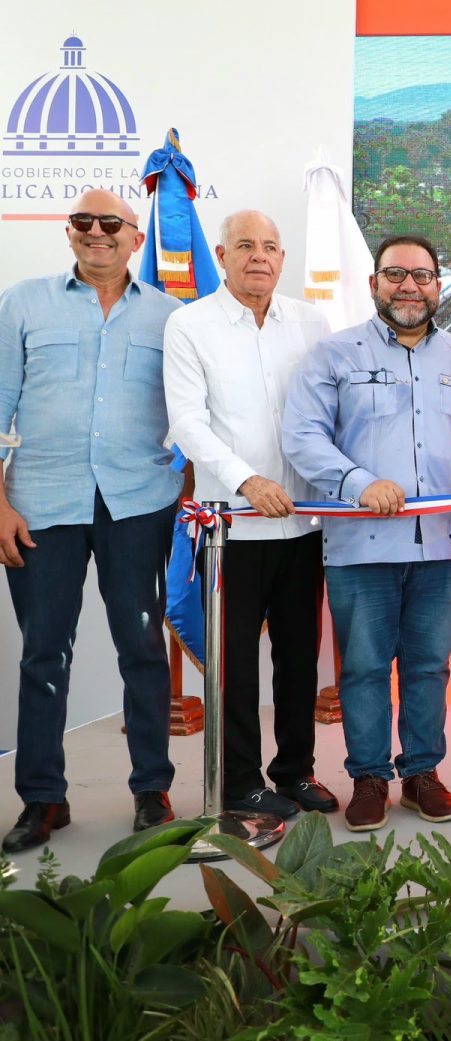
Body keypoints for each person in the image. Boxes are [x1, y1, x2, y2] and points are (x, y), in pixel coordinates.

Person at [0, 189, 182, 853]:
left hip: (139, 502)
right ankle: (43, 800)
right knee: (44, 651)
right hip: (42, 504)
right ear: (68, 231)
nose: (96, 233)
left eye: (112, 224)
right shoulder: (23, 303)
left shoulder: (171, 317)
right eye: (84, 222)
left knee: (141, 647)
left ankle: (151, 789)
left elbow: (187, 416)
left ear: (136, 238)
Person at [282, 234, 451, 832]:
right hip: (359, 546)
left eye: (422, 276)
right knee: (364, 668)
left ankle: (422, 772)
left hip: (440, 545)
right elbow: (303, 436)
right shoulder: (333, 356)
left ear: (439, 286)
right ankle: (369, 777)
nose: (409, 286)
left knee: (428, 665)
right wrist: (356, 481)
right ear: (374, 284)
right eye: (395, 274)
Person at [163, 209, 338, 819]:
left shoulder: (312, 322)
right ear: (221, 255)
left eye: (269, 246)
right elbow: (187, 421)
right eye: (245, 245)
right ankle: (239, 782)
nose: (258, 256)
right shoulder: (189, 325)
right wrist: (245, 480)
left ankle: (295, 772)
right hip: (230, 529)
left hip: (305, 524)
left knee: (298, 655)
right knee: (233, 662)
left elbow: (331, 410)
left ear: (282, 258)